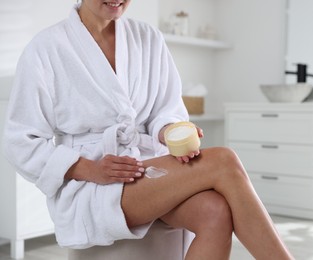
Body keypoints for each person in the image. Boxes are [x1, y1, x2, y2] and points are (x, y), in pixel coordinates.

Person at [3, 0, 294, 259]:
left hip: (146, 168)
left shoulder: (148, 38)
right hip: (91, 183)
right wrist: (91, 169)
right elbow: (20, 141)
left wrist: (170, 132)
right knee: (224, 160)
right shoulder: (47, 47)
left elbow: (166, 110)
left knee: (214, 211)